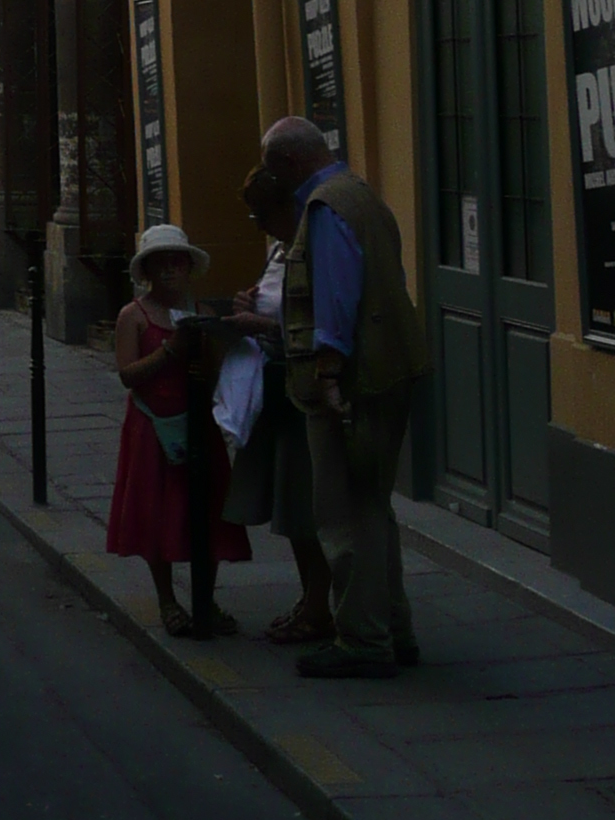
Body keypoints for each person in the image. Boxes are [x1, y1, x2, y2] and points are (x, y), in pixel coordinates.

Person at [260, 115, 431, 679]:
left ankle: (362, 639)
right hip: (392, 366)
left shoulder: (324, 209)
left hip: (354, 380)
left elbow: (335, 299)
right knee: (373, 508)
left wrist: (329, 376)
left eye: (272, 169)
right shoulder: (361, 194)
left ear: (288, 163)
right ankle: (393, 630)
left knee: (344, 513)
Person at [106, 221, 251, 638]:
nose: (169, 271)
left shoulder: (199, 315)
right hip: (152, 424)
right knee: (155, 511)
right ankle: (167, 599)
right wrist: (172, 350)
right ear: (147, 271)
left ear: (188, 268)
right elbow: (128, 374)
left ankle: (205, 598)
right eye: (160, 264)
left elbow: (211, 371)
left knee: (206, 510)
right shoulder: (132, 316)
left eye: (176, 262)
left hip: (197, 423)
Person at [221, 163, 333, 646]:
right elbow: (274, 307)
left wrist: (261, 327)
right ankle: (310, 599)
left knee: (305, 508)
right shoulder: (278, 252)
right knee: (288, 510)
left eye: (262, 215)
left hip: (304, 390)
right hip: (275, 392)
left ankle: (320, 605)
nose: (260, 226)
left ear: (288, 207)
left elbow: (321, 329)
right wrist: (247, 306)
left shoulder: (314, 251)